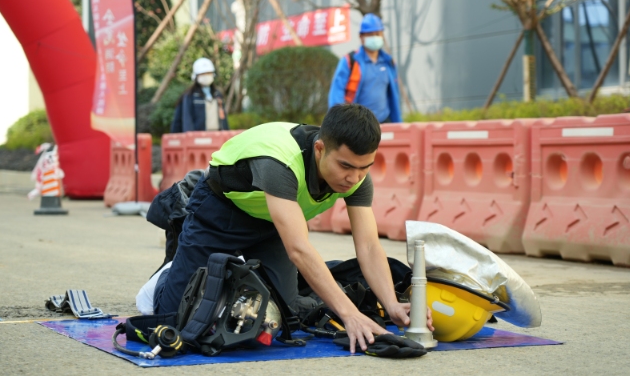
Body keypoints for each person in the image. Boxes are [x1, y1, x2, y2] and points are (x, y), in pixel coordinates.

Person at [153, 104, 432, 353]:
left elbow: (369, 246)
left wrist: (392, 304)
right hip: (218, 212)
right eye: (345, 166)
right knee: (173, 319)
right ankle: (174, 264)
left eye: (364, 167)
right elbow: (298, 248)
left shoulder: (357, 177)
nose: (354, 177)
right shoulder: (280, 162)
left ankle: (231, 273)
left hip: (272, 224)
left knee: (280, 318)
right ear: (320, 149)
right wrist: (350, 314)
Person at [328, 13, 402, 123]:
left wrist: (398, 121)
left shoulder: (389, 62)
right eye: (370, 34)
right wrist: (338, 122)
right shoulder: (350, 61)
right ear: (361, 37)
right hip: (358, 123)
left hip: (385, 121)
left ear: (382, 35)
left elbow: (394, 96)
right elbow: (336, 93)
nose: (375, 37)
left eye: (377, 34)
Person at [170, 57, 229, 133]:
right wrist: (190, 136)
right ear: (196, 76)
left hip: (217, 134)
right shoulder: (190, 95)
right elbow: (187, 119)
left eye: (208, 73)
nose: (206, 76)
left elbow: (223, 117)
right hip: (198, 136)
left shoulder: (217, 94)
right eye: (203, 74)